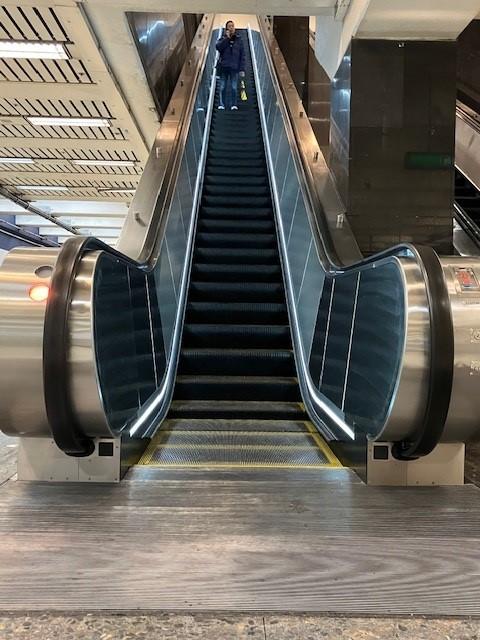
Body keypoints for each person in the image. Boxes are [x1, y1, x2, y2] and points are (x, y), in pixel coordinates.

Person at [215, 20, 246, 111]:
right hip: (224, 67)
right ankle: (222, 104)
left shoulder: (239, 40)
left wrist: (242, 69)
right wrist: (227, 39)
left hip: (234, 68)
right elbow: (218, 47)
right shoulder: (223, 39)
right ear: (226, 29)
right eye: (229, 26)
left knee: (234, 87)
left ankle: (234, 104)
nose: (231, 28)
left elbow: (242, 55)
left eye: (233, 26)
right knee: (223, 87)